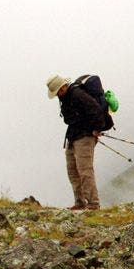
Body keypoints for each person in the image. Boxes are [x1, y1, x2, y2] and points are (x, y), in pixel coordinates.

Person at [46, 74, 103, 210]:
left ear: (63, 86)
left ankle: (93, 204)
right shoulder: (65, 97)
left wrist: (97, 129)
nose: (58, 95)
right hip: (73, 136)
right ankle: (80, 203)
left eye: (58, 91)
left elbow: (95, 110)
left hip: (84, 136)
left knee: (84, 170)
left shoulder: (77, 94)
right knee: (72, 170)